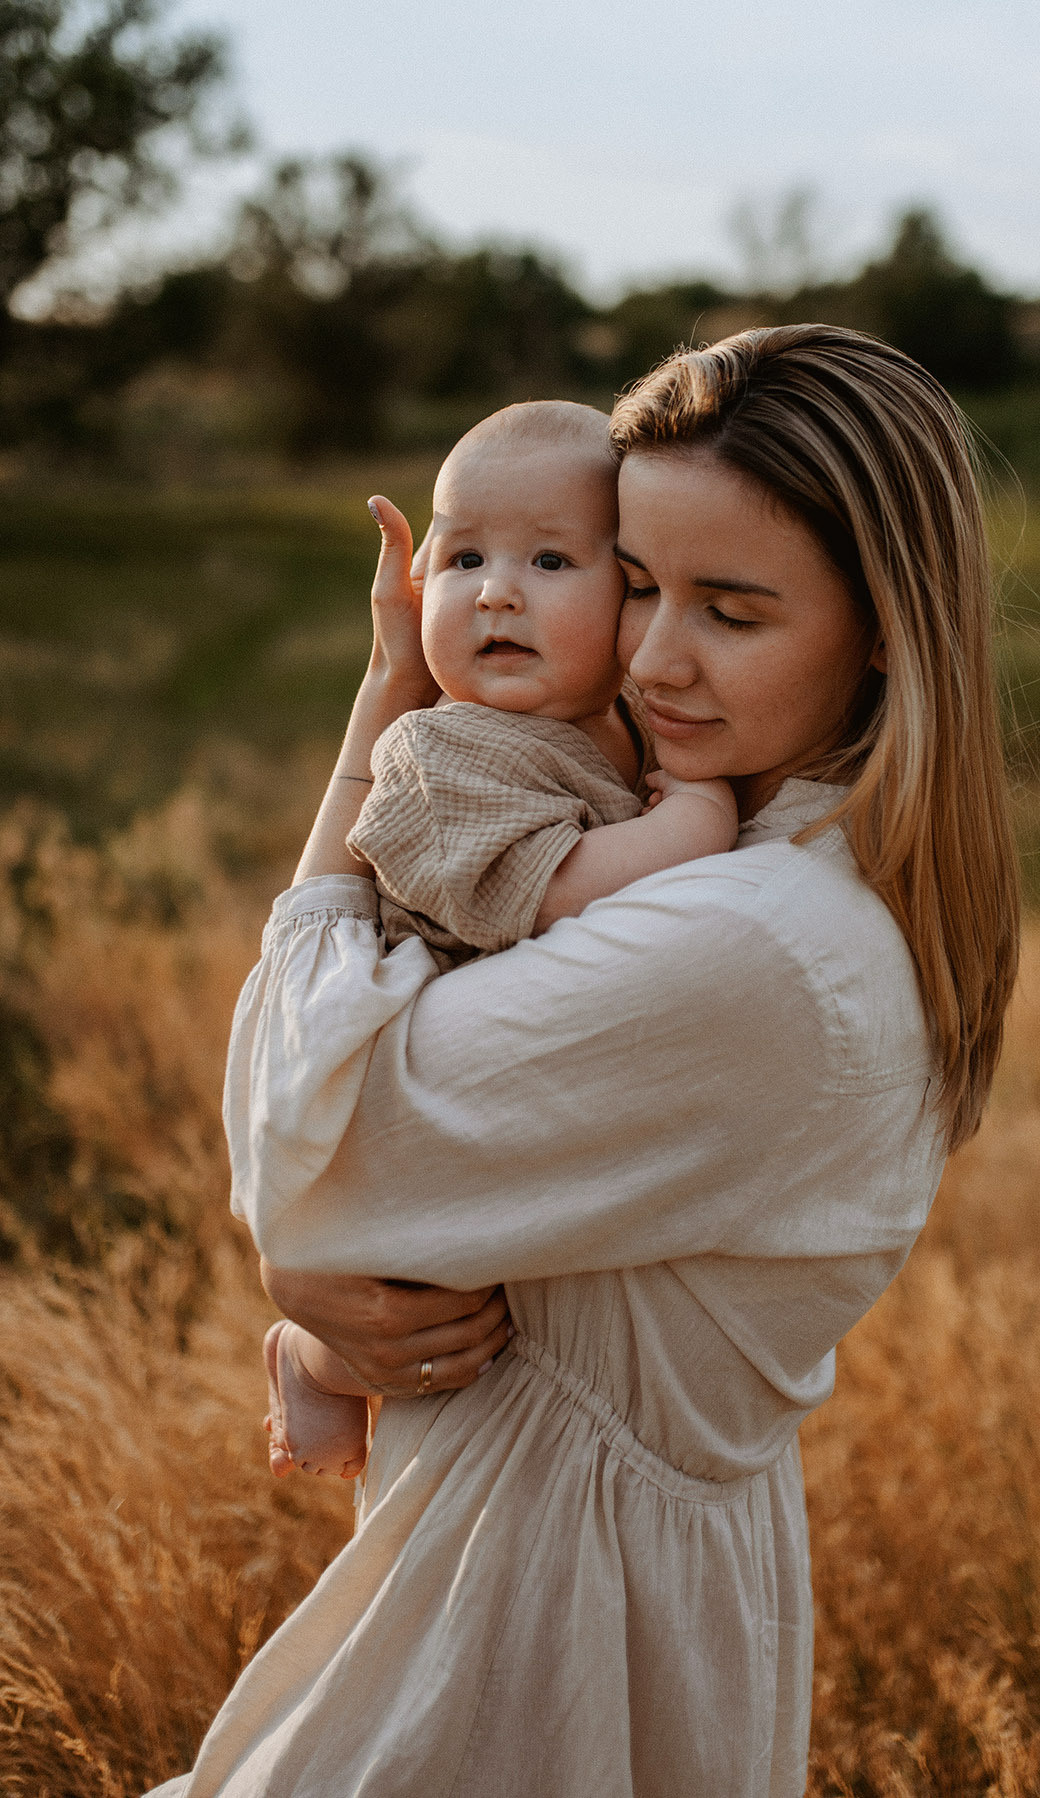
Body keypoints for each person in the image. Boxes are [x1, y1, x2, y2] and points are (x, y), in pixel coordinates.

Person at [150, 324, 1019, 1797]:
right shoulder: (767, 859)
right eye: (635, 584)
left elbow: (304, 1144)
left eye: (730, 611)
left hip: (532, 1613)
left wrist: (378, 715)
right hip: (594, 1574)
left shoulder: (749, 940)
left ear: (886, 625)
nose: (653, 658)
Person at [264, 398, 737, 1481]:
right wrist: (695, 823)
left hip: (528, 1091)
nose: (497, 592)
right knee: (424, 1301)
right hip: (409, 1108)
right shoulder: (441, 751)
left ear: (632, 593)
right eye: (464, 557)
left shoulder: (618, 724)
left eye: (551, 561)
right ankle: (312, 1359)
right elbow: (551, 888)